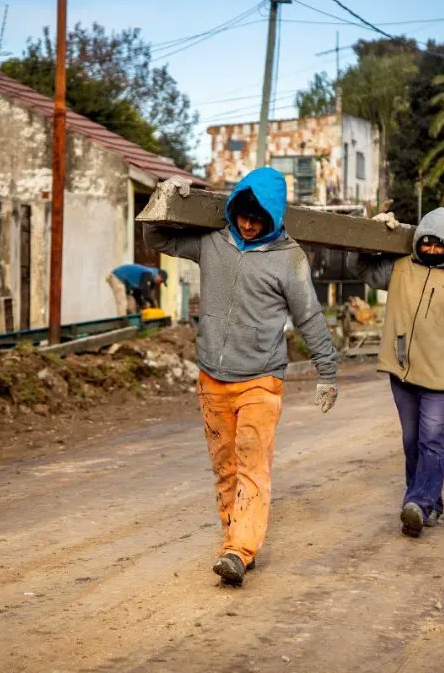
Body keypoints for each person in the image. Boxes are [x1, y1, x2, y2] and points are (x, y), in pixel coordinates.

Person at [144, 168, 339, 586]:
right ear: (233, 209)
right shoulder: (212, 243)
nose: (249, 224)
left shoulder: (290, 259)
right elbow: (157, 239)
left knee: (252, 465)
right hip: (212, 377)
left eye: (259, 218)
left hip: (260, 379)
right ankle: (234, 540)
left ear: (273, 217)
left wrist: (328, 371)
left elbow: (310, 316)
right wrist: (165, 200)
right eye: (244, 215)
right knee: (225, 467)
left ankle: (239, 550)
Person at [357, 208, 444, 538]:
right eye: (426, 243)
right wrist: (371, 234)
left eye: (439, 245)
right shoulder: (400, 267)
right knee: (412, 441)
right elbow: (363, 269)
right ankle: (426, 502)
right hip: (403, 372)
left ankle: (418, 505)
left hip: (442, 378)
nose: (432, 250)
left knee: (432, 441)